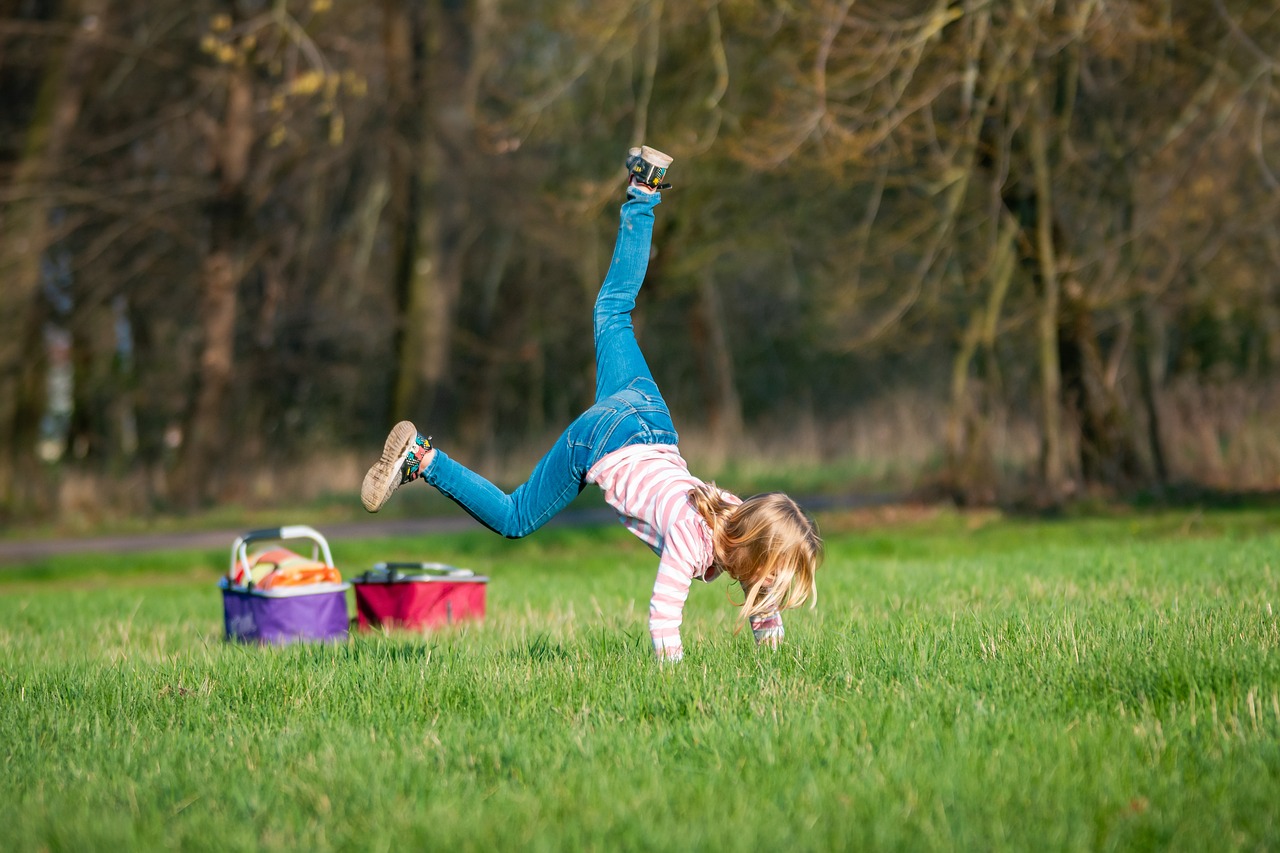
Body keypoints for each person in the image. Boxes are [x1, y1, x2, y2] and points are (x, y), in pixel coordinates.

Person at [361, 146, 822, 662]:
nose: (771, 594)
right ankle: (423, 458)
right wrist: (679, 690)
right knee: (515, 517)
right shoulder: (692, 541)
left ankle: (644, 190)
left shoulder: (733, 512)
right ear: (753, 556)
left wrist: (778, 665)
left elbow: (762, 593)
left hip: (650, 418)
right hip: (604, 439)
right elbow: (664, 616)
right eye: (772, 583)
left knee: (613, 311)